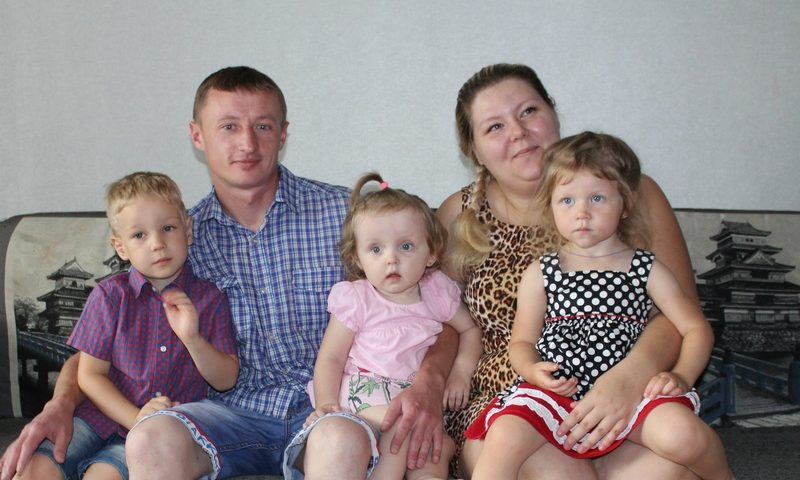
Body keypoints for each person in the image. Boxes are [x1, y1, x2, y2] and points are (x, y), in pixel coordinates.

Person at [0, 66, 457, 480]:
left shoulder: (350, 217)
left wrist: (431, 381)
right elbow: (107, 336)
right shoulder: (176, 239)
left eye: (263, 126)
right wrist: (59, 404)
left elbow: (441, 312)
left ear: (283, 133)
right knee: (151, 435)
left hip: (327, 409)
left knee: (338, 439)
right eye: (229, 126)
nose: (247, 143)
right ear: (197, 136)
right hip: (225, 413)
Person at [437, 63, 704, 479]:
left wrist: (629, 377)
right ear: (473, 150)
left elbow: (679, 314)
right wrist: (426, 388)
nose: (518, 132)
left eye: (529, 111)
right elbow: (434, 323)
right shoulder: (458, 215)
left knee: (672, 467)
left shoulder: (629, 191)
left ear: (553, 112)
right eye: (494, 127)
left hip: (627, 396)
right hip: (509, 405)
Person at [465, 131, 733, 480]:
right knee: (504, 435)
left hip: (633, 395)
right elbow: (522, 342)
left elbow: (695, 328)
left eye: (597, 198)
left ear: (625, 204)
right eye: (566, 200)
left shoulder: (646, 268)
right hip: (556, 394)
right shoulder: (541, 273)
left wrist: (682, 375)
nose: (582, 212)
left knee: (684, 436)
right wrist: (532, 370)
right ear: (550, 207)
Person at [15, 172, 238, 480]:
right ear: (120, 247)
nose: (157, 244)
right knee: (34, 470)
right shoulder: (109, 295)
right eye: (139, 235)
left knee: (104, 476)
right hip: (96, 417)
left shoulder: (210, 298)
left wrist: (193, 339)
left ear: (188, 230)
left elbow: (226, 379)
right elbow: (90, 375)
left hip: (156, 438)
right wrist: (135, 418)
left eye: (168, 228)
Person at [287, 173, 482, 479]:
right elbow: (331, 357)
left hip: (419, 401)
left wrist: (461, 371)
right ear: (357, 258)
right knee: (404, 422)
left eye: (405, 246)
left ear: (431, 253)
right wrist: (326, 403)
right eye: (376, 249)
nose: (391, 259)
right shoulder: (357, 299)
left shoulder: (436, 292)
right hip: (366, 403)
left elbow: (470, 330)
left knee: (437, 450)